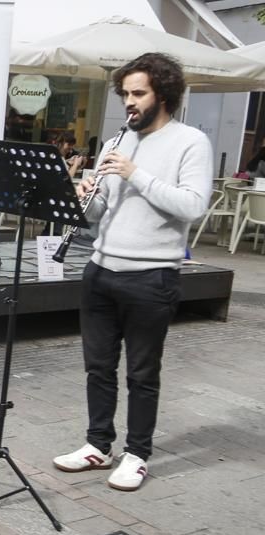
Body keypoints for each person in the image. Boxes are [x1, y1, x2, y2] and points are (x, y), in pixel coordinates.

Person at [51, 53, 212, 491]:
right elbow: (102, 210)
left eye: (138, 93)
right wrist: (87, 192)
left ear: (164, 93)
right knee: (97, 366)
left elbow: (193, 206)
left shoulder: (190, 142)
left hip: (151, 277)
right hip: (101, 269)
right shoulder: (117, 141)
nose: (129, 102)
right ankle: (98, 444)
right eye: (125, 94)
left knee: (142, 372)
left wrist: (136, 174)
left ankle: (138, 453)